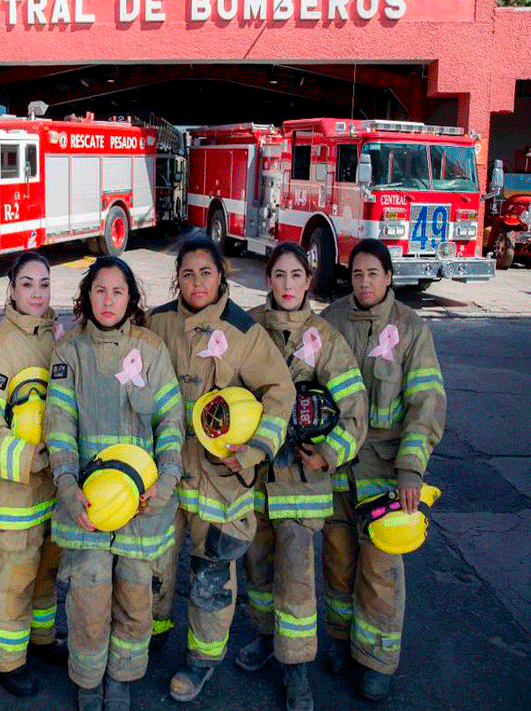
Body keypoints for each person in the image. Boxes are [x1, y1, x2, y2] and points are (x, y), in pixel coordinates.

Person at [147, 236, 294, 702]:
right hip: (166, 476)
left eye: (205, 273)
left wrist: (253, 452)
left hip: (220, 482)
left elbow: (280, 392)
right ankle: (152, 637)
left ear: (221, 276)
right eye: (187, 274)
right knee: (154, 567)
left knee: (212, 577)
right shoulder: (158, 324)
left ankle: (201, 661)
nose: (196, 282)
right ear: (177, 280)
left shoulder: (244, 332)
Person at [46, 256, 185, 711]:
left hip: (142, 506)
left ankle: (121, 678)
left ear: (131, 299)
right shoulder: (69, 351)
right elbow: (60, 428)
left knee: (134, 594)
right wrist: (68, 487)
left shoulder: (150, 349)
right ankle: (88, 681)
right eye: (99, 291)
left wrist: (165, 481)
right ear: (86, 296)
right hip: (86, 505)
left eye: (118, 292)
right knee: (87, 597)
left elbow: (171, 422)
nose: (108, 301)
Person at [238, 242, 368, 711]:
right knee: (257, 565)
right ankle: (263, 636)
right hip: (253, 478)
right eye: (279, 276)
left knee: (295, 577)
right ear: (267, 280)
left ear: (308, 281)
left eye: (296, 276)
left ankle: (296, 671)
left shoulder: (325, 338)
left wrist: (328, 454)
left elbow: (355, 410)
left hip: (301, 482)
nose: (288, 286)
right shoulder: (248, 326)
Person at [321, 239, 446, 702]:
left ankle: (376, 657)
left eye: (373, 273)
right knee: (337, 561)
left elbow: (426, 405)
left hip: (385, 473)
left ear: (390, 276)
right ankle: (338, 637)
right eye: (357, 274)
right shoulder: (331, 321)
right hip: (336, 468)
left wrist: (411, 470)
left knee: (380, 570)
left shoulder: (411, 330)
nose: (365, 282)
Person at [0, 252, 69, 697]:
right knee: (15, 572)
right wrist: (28, 458)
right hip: (17, 485)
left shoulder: (55, 337)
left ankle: (42, 638)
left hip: (53, 483)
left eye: (44, 284)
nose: (37, 293)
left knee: (48, 566)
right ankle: (7, 659)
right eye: (28, 284)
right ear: (11, 289)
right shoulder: (1, 344)